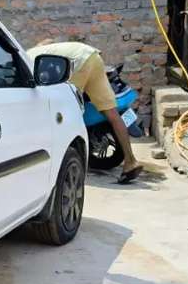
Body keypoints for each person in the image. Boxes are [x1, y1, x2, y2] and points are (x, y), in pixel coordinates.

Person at [28, 40, 143, 184]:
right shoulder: (54, 48)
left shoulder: (28, 57)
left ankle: (65, 164)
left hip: (79, 63)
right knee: (112, 114)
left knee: (67, 112)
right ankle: (131, 161)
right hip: (92, 56)